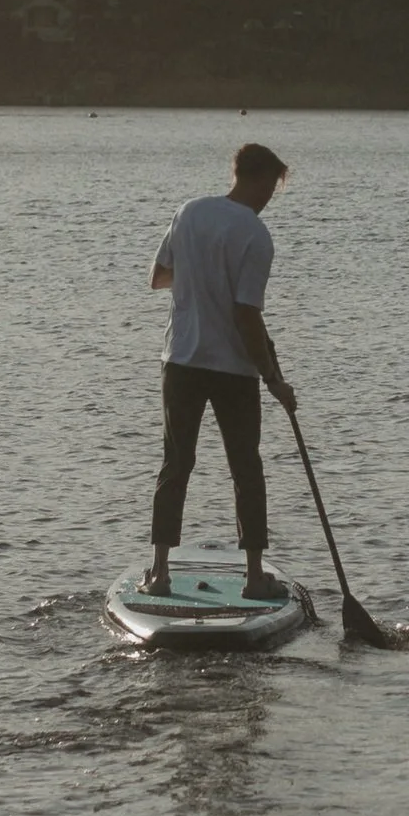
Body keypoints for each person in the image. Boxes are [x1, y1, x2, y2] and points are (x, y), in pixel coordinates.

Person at [145, 141, 296, 598]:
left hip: (183, 362)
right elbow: (246, 314)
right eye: (273, 186)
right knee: (246, 468)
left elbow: (159, 277)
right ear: (260, 179)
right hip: (232, 369)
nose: (271, 196)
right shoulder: (255, 234)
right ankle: (253, 578)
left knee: (176, 465)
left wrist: (200, 276)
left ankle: (160, 574)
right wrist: (274, 379)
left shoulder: (189, 212)